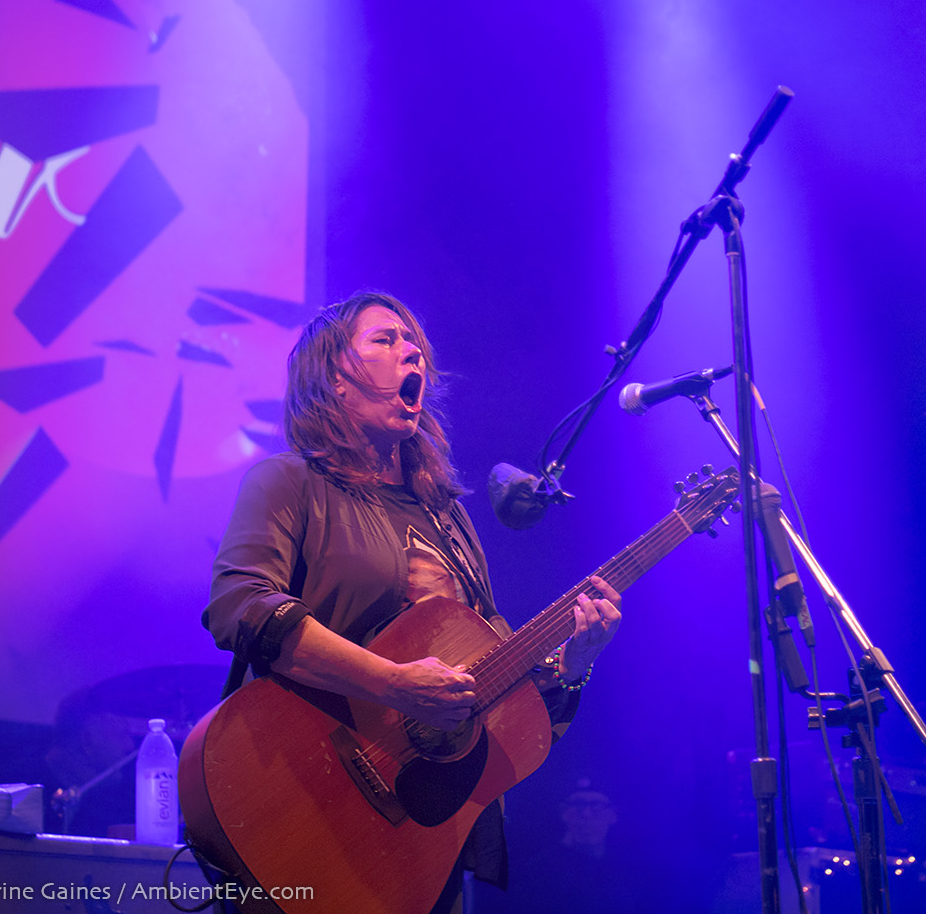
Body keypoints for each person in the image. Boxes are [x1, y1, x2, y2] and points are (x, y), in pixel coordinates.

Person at [201, 290, 622, 913]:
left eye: (414, 341)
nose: (412, 349)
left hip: (424, 827)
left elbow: (494, 679)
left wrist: (572, 662)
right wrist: (393, 684)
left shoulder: (447, 517)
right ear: (334, 379)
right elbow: (240, 603)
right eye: (385, 339)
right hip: (309, 800)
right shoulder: (290, 482)